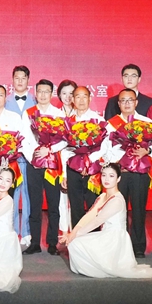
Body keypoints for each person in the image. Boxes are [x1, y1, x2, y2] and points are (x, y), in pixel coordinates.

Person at [60, 164, 152, 278]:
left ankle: (101, 267)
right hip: (105, 235)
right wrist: (73, 232)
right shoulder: (103, 196)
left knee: (76, 242)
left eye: (111, 176)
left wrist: (75, 235)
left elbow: (97, 221)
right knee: (74, 242)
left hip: (114, 239)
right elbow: (89, 215)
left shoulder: (117, 200)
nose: (106, 179)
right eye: (104, 175)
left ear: (118, 179)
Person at [101, 88, 152, 257]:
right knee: (118, 210)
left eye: (130, 100)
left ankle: (138, 246)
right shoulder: (111, 124)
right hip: (119, 173)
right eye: (123, 101)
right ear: (118, 104)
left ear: (136, 102)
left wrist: (147, 151)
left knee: (139, 209)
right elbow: (105, 149)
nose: (127, 104)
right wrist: (118, 160)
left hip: (140, 173)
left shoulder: (146, 122)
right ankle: (120, 245)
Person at [19, 79, 67, 255]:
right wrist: (34, 156)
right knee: (35, 203)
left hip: (52, 164)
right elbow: (23, 139)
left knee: (53, 204)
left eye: (47, 91)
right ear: (35, 93)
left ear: (52, 93)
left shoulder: (59, 114)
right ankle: (35, 243)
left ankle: (52, 242)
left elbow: (65, 139)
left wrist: (49, 150)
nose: (43, 95)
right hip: (33, 163)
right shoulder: (29, 113)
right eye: (40, 91)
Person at [62, 86, 108, 227]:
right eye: (78, 97)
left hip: (92, 170)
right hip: (72, 169)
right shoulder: (67, 122)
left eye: (84, 96)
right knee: (75, 206)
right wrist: (64, 174)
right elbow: (64, 149)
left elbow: (104, 146)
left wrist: (88, 161)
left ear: (90, 98)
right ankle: (77, 237)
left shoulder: (98, 120)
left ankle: (93, 238)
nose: (81, 100)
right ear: (72, 99)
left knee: (93, 206)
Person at [4, 66, 36, 245]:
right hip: (11, 157)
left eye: (23, 78)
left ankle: (27, 232)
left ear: (28, 80)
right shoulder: (5, 101)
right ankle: (12, 231)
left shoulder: (36, 101)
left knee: (29, 194)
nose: (20, 81)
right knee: (12, 195)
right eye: (17, 78)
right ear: (12, 79)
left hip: (30, 156)